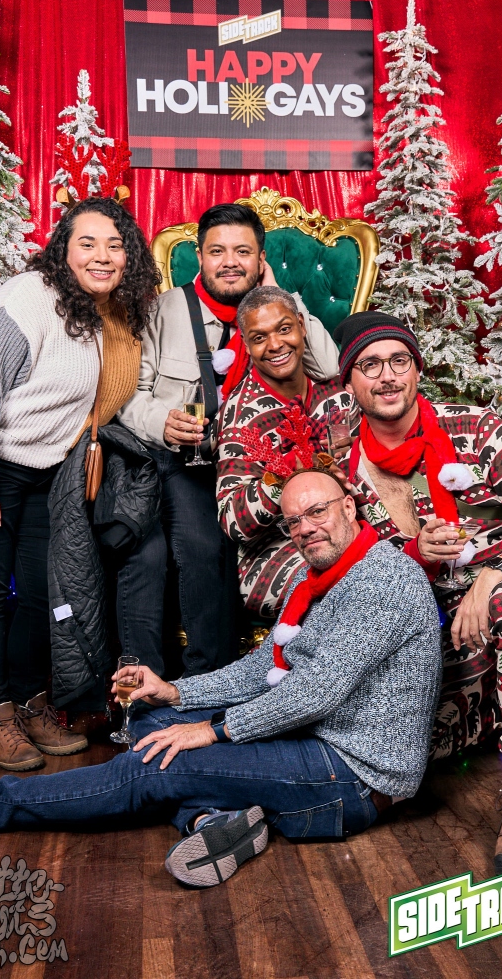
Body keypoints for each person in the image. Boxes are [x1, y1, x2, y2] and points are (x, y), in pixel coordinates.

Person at [0, 469, 442, 889]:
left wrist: (210, 731)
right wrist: (175, 691)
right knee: (152, 715)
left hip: (352, 775)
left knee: (162, 763)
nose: (306, 528)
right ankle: (213, 821)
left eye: (317, 511)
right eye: (294, 521)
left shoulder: (382, 578)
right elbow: (265, 669)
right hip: (309, 737)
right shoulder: (319, 578)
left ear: (349, 507)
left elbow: (313, 694)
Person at [331, 309, 502, 874]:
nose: (388, 376)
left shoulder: (474, 427)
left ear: (416, 370)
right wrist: (416, 552)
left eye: (399, 361)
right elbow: (362, 568)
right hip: (448, 605)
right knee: (415, 738)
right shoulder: (343, 466)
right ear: (348, 381)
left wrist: (495, 573)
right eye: (370, 365)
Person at [0, 196, 160, 772]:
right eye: (87, 243)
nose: (103, 256)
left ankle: (30, 704)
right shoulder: (27, 299)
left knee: (37, 591)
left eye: (116, 245)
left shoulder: (107, 312)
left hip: (38, 469)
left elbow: (102, 396)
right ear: (62, 251)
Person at [116, 203, 339, 676]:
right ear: (200, 256)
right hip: (185, 458)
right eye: (217, 251)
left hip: (261, 459)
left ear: (261, 259)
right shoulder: (163, 310)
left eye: (243, 251)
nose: (230, 262)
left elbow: (329, 368)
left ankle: (237, 679)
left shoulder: (275, 313)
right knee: (204, 545)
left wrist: (282, 296)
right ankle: (203, 678)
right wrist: (162, 422)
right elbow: (128, 395)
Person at [216, 285, 353, 619]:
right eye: (259, 337)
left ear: (301, 327)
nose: (275, 344)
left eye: (284, 329)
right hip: (275, 551)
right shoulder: (241, 419)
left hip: (345, 525)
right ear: (246, 344)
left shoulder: (333, 388)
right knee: (354, 584)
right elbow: (232, 520)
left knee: (395, 563)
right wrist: (287, 472)